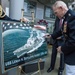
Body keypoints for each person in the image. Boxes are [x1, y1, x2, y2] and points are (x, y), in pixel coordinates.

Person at [46, 1, 75, 75]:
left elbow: (73, 41)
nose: (56, 15)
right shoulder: (67, 17)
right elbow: (62, 30)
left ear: (61, 8)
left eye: (56, 12)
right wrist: (51, 36)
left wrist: (62, 48)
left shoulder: (72, 17)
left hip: (73, 56)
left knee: (70, 72)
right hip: (70, 52)